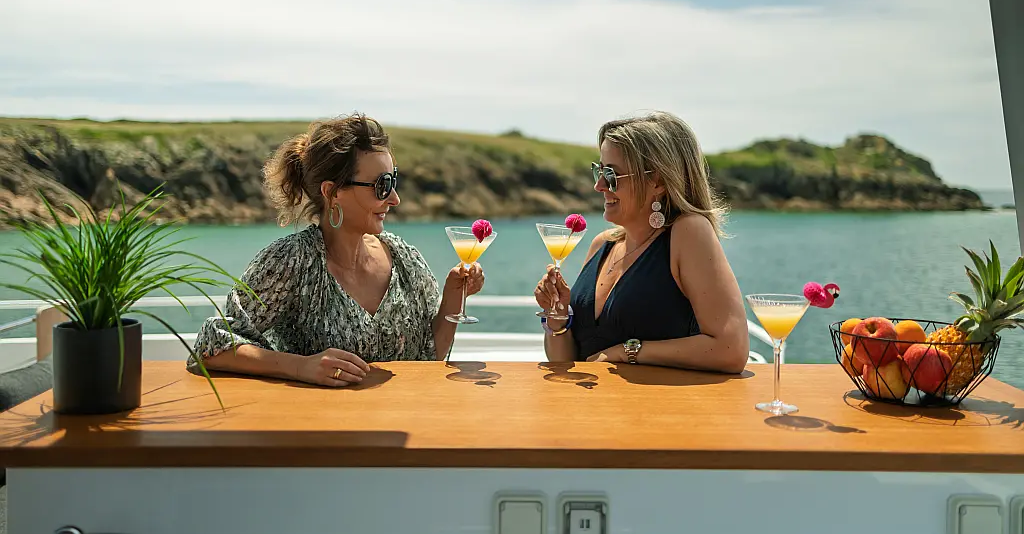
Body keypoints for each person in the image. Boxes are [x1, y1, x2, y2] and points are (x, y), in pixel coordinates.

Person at [187, 113, 484, 387]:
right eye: (381, 185)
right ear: (332, 192)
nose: (395, 198)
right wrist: (301, 367)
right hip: (317, 425)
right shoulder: (291, 261)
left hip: (400, 422)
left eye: (393, 181)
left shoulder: (406, 259)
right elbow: (212, 347)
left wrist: (453, 297)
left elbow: (429, 358)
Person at [534, 111, 749, 374]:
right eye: (599, 171)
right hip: (588, 401)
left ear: (657, 181)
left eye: (611, 174)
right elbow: (565, 362)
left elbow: (731, 349)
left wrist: (626, 352)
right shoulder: (602, 245)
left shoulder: (688, 232)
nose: (599, 185)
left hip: (658, 401)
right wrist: (557, 319)